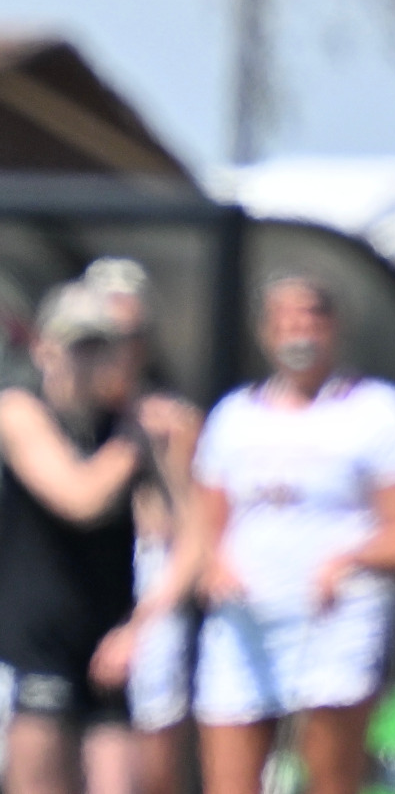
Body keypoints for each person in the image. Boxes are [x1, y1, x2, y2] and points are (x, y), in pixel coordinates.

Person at [186, 277, 395, 794]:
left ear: (333, 327)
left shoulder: (378, 410)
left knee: (329, 778)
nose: (298, 330)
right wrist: (214, 566)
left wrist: (347, 561)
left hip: (334, 623)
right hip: (245, 623)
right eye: (285, 317)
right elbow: (205, 525)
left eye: (311, 316)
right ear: (265, 330)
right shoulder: (232, 417)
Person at [0, 280, 198, 794]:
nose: (87, 362)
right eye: (76, 347)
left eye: (100, 347)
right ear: (45, 349)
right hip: (33, 649)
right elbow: (80, 499)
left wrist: (140, 625)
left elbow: (193, 534)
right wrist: (137, 440)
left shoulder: (130, 425)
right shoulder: (20, 412)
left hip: (106, 647)